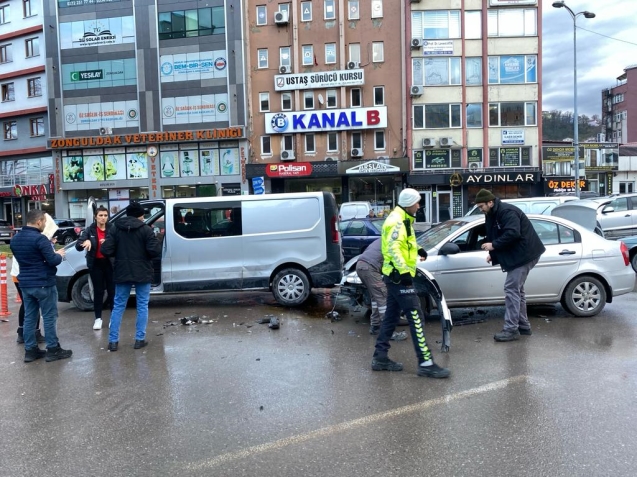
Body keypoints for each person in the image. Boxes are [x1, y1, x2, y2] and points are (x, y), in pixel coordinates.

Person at [371, 188, 450, 379]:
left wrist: (419, 250)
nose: (419, 205)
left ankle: (380, 357)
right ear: (408, 203)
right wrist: (403, 272)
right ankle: (426, 362)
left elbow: (405, 244)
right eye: (417, 202)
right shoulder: (398, 221)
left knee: (390, 318)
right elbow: (393, 248)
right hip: (399, 277)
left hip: (394, 276)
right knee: (416, 317)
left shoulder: (403, 218)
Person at [474, 189, 546, 342]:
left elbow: (513, 233)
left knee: (511, 289)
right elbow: (495, 235)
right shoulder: (492, 214)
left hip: (525, 255)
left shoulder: (507, 212)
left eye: (482, 206)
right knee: (517, 291)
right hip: (520, 255)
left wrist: (493, 246)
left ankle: (511, 329)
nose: (480, 209)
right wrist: (492, 254)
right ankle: (524, 326)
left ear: (490, 202)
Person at [10, 210, 70, 363]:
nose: (44, 225)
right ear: (39, 222)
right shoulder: (40, 239)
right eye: (44, 222)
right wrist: (59, 255)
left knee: (30, 317)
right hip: (43, 283)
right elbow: (52, 260)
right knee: (49, 317)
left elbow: (29, 259)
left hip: (25, 284)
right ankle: (53, 349)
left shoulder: (15, 239)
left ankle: (30, 350)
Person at [101, 201, 160, 351]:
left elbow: (106, 250)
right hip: (142, 272)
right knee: (142, 305)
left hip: (122, 271)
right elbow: (154, 251)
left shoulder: (115, 229)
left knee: (119, 306)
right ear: (140, 215)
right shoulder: (146, 230)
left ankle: (113, 342)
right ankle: (139, 340)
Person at [355, 238, 407, 341]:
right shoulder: (395, 242)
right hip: (370, 268)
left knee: (376, 298)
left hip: (360, 266)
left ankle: (375, 326)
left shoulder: (383, 239)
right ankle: (389, 332)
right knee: (383, 298)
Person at [76, 206, 114, 330]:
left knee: (112, 291)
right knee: (98, 292)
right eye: (101, 215)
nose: (103, 218)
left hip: (110, 263)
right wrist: (84, 243)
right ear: (95, 217)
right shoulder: (90, 230)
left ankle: (113, 318)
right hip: (96, 264)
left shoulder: (112, 228)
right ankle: (98, 318)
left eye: (105, 215)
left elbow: (119, 244)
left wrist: (109, 243)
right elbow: (78, 245)